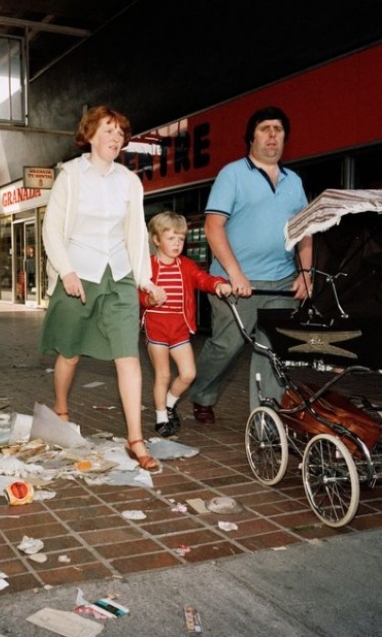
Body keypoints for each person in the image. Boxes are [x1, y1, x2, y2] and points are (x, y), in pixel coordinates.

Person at [39, 105, 166, 472]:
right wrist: (66, 271)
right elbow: (52, 229)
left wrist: (145, 279)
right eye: (107, 130)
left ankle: (135, 440)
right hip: (79, 272)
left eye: (120, 132)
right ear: (90, 135)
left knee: (128, 356)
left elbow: (137, 234)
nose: (115, 138)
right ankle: (61, 407)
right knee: (71, 352)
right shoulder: (71, 176)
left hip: (119, 275)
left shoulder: (129, 180)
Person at [189, 106, 312, 423]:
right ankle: (200, 393)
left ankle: (266, 418)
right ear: (251, 137)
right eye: (265, 128)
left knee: (270, 350)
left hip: (281, 281)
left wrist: (305, 273)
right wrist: (235, 272)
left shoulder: (293, 181)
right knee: (226, 345)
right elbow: (213, 226)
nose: (273, 135)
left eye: (279, 129)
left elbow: (305, 231)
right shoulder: (232, 174)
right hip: (236, 282)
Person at [140, 212, 232, 437]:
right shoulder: (148, 267)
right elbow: (139, 294)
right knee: (162, 375)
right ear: (156, 240)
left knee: (188, 374)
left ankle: (170, 403)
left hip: (180, 328)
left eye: (180, 239)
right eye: (171, 238)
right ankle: (161, 417)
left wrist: (219, 284)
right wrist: (150, 299)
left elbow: (203, 279)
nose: (177, 244)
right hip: (156, 326)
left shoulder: (186, 266)